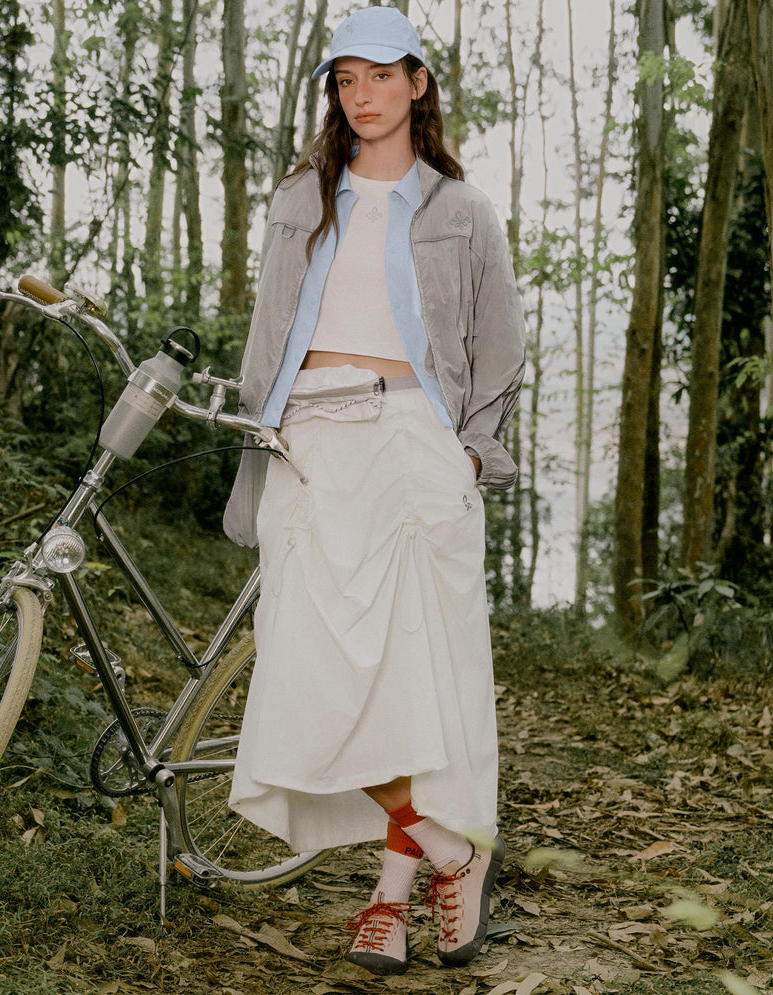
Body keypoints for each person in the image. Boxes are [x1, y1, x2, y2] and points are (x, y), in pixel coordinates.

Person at [223, 4, 525, 976]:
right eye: (346, 80)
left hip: (411, 441)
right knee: (311, 675)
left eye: (381, 76)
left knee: (415, 684)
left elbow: (499, 350)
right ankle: (451, 851)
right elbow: (267, 335)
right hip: (310, 443)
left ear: (417, 83)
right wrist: (256, 437)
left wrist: (469, 456)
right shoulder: (298, 200)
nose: (362, 95)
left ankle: (390, 900)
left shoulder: (461, 210)